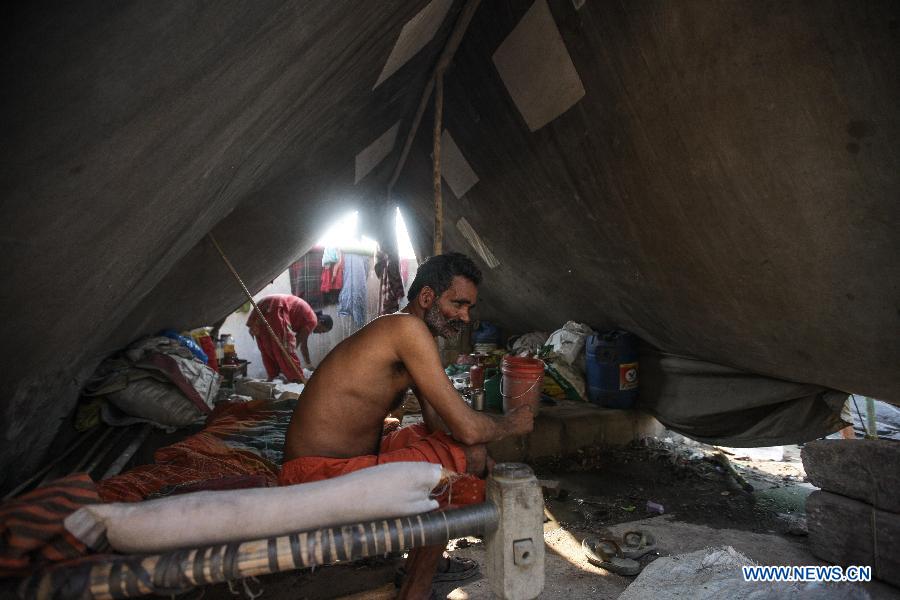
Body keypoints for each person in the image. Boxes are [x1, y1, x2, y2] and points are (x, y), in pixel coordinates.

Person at [279, 253, 535, 600]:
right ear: (427, 297)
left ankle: (424, 563)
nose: (465, 316)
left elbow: (437, 423)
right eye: (459, 304)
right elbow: (469, 432)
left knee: (451, 449)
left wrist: (471, 441)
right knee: (467, 454)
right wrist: (512, 423)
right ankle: (416, 589)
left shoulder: (412, 332)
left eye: (469, 307)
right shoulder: (407, 329)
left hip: (337, 462)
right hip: (313, 473)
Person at [246, 294, 333, 381]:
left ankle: (273, 376)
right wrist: (301, 367)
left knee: (267, 346)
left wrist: (307, 364)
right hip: (277, 306)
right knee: (285, 346)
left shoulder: (309, 317)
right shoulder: (313, 320)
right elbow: (297, 342)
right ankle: (297, 379)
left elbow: (303, 345)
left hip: (263, 304)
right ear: (321, 322)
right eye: (323, 330)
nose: (320, 333)